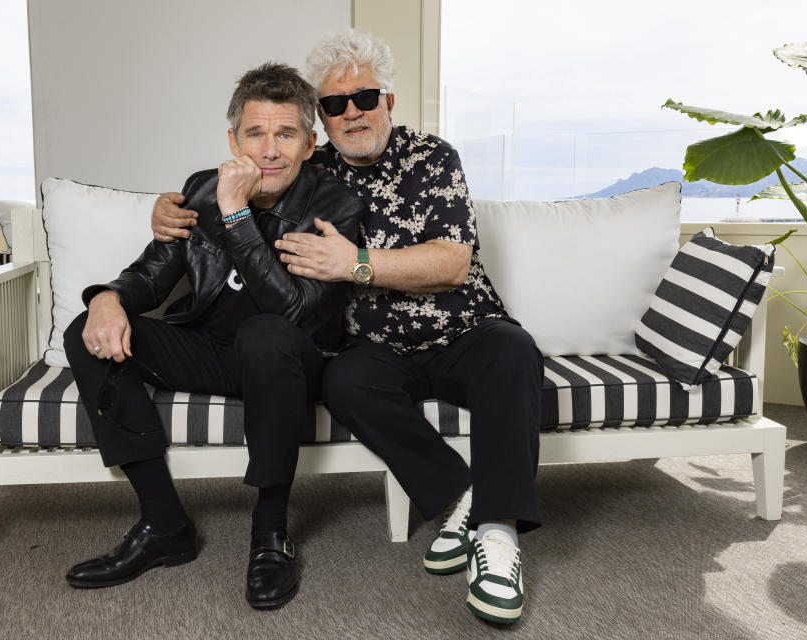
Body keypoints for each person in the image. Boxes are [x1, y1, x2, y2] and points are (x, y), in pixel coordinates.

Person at [151, 31, 543, 625]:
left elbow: (452, 263)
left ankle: (496, 535)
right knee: (342, 384)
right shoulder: (306, 165)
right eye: (334, 105)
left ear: (389, 101)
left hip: (461, 329)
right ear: (320, 124)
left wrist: (356, 264)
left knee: (514, 352)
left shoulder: (433, 157)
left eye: (364, 97)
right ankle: (461, 495)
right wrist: (170, 208)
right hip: (370, 345)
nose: (351, 112)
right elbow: (229, 188)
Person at [64, 62, 365, 609]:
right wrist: (106, 297)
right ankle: (163, 526)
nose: (269, 151)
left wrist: (234, 214)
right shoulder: (201, 190)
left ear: (309, 143)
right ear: (233, 139)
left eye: (285, 134)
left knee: (264, 335)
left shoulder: (334, 205)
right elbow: (152, 275)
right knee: (85, 329)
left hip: (292, 361)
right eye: (255, 133)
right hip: (209, 352)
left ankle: (271, 534)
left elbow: (294, 312)